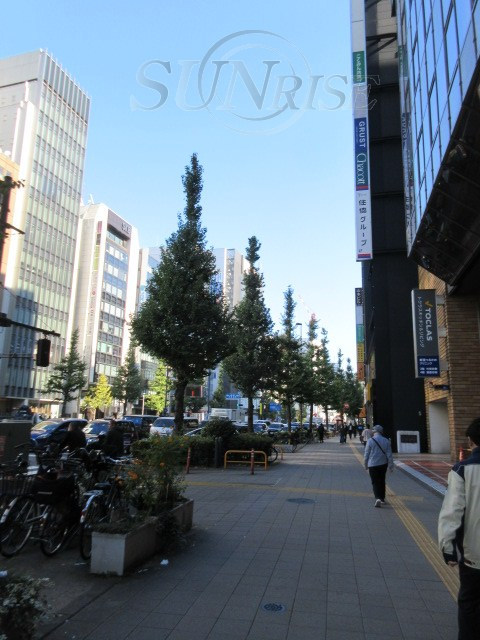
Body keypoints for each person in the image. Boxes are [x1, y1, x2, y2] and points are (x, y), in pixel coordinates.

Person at [438, 418, 480, 640]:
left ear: (471, 441)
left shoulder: (463, 470)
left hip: (474, 556)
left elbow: (452, 512)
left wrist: (448, 549)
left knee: (470, 606)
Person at [364, 425, 394, 507]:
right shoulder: (386, 441)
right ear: (381, 432)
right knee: (382, 480)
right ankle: (382, 499)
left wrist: (365, 464)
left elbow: (366, 454)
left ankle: (377, 498)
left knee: (375, 481)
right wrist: (391, 466)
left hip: (372, 464)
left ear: (374, 432)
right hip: (383, 464)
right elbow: (389, 455)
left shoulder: (370, 441)